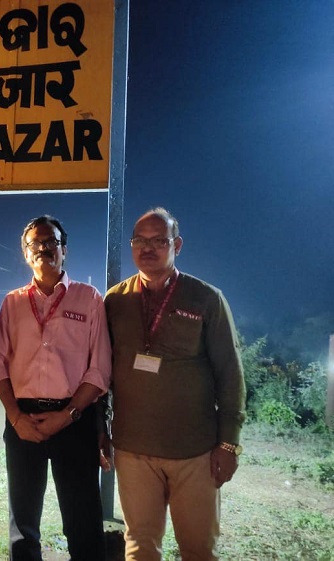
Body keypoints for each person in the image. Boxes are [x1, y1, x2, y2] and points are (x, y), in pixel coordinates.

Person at [105, 207, 246, 561]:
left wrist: (228, 444)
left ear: (177, 245)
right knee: (139, 545)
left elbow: (230, 373)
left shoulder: (205, 299)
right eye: (139, 240)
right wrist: (97, 429)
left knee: (198, 549)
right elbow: (98, 370)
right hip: (133, 450)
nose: (147, 248)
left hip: (195, 452)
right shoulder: (114, 301)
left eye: (159, 241)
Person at [0, 215, 112, 561]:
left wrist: (68, 414)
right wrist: (15, 416)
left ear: (64, 250)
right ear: (26, 254)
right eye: (35, 244)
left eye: (51, 242)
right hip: (23, 421)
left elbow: (99, 369)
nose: (43, 248)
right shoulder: (12, 303)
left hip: (74, 420)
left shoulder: (89, 299)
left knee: (82, 520)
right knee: (23, 525)